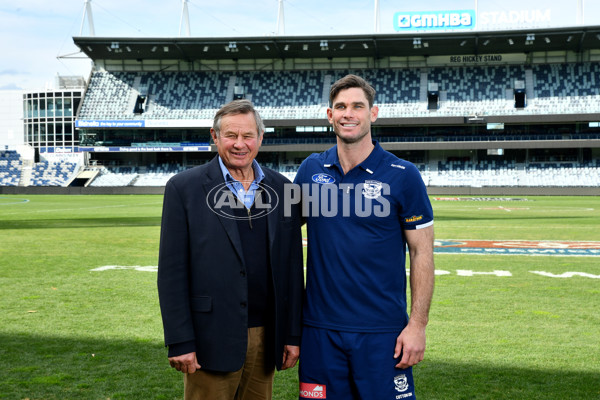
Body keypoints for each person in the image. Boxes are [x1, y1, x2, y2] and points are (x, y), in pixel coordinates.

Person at [294, 74, 435, 400]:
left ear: (373, 113)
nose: (348, 113)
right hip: (319, 331)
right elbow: (279, 237)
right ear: (330, 115)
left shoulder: (403, 176)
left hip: (382, 332)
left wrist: (418, 326)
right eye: (340, 107)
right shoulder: (310, 171)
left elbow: (421, 253)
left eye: (358, 106)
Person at [157, 99, 304, 400]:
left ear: (261, 138)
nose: (240, 144)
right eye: (231, 135)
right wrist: (180, 341)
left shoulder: (283, 188)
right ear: (215, 136)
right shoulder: (184, 188)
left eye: (248, 136)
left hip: (266, 337)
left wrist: (291, 334)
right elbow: (172, 272)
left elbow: (291, 267)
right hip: (210, 336)